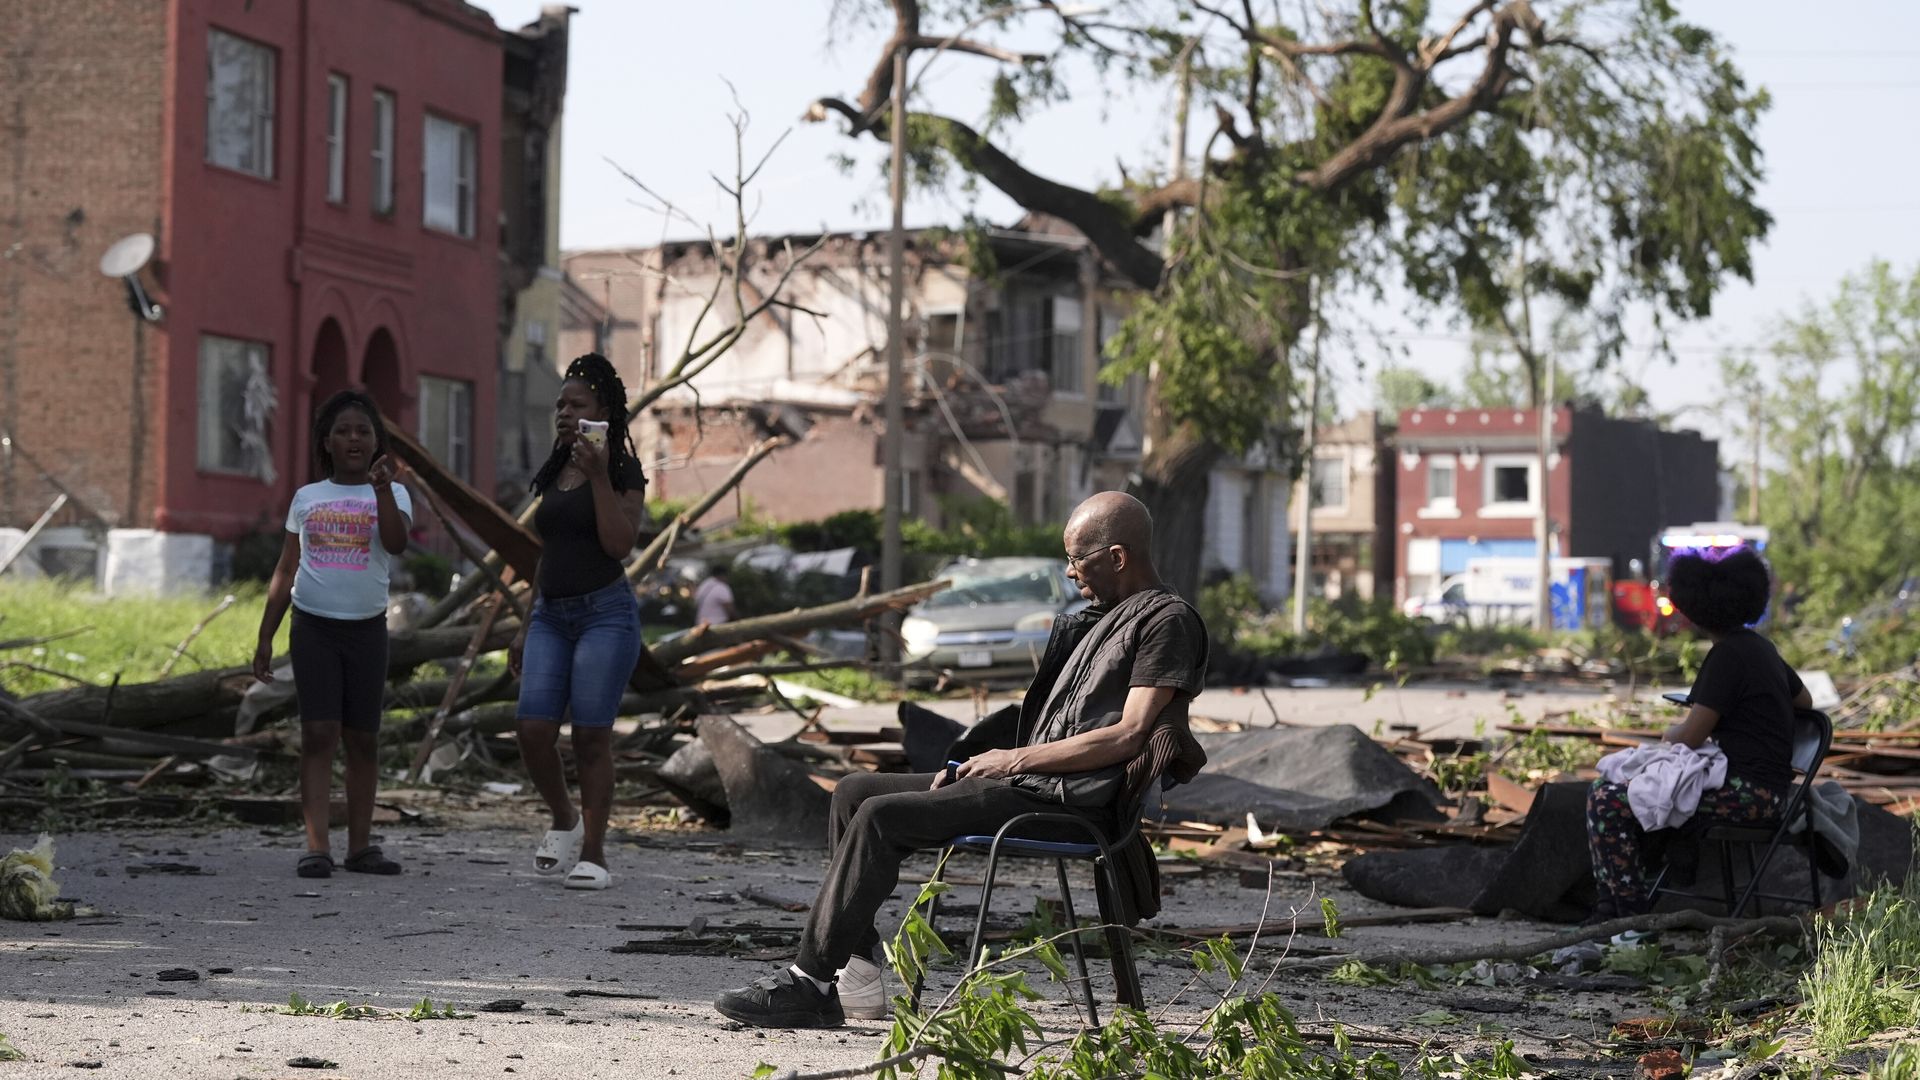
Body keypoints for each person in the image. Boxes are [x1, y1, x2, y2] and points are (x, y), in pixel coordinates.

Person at [713, 491, 1208, 1029]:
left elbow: (1129, 735)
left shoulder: (1167, 621)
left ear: (1117, 556)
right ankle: (856, 976)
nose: (1069, 573)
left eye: (1077, 559)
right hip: (1037, 783)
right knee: (855, 792)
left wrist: (1012, 760)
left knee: (883, 818)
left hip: (1072, 800)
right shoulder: (1104, 616)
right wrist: (1007, 762)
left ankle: (808, 984)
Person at [1586, 548, 1811, 920]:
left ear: (1696, 610)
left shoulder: (1726, 658)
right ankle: (1620, 906)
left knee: (1606, 798)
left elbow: (1690, 736)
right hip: (1772, 789)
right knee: (1641, 793)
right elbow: (1806, 701)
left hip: (1749, 796)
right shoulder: (1761, 649)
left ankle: (1624, 912)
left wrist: (1668, 732)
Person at [254, 390, 413, 879]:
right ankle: (317, 846)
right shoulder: (307, 498)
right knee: (319, 733)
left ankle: (361, 848)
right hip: (313, 628)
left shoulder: (394, 493)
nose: (353, 438)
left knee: (363, 738)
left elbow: (396, 543)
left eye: (363, 431)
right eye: (343, 431)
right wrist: (265, 636)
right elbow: (286, 568)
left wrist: (383, 490)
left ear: (376, 442)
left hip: (366, 631)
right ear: (327, 441)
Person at [509, 353, 648, 892]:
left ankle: (594, 851)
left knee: (591, 737)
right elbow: (549, 555)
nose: (565, 413)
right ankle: (564, 818)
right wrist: (526, 623)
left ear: (603, 413)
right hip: (551, 614)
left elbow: (618, 545)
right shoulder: (553, 468)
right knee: (532, 728)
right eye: (560, 405)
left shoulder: (621, 471)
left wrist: (596, 477)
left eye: (577, 405)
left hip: (605, 615)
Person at [693, 563, 736, 627]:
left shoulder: (705, 584)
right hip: (717, 625)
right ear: (723, 575)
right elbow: (729, 608)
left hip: (700, 625)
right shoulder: (722, 587)